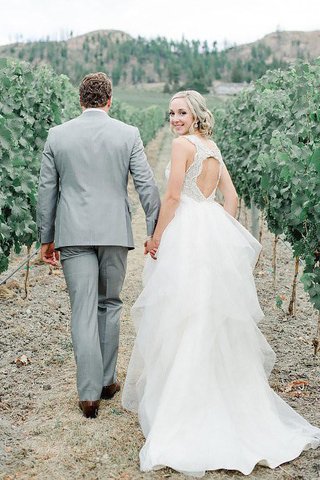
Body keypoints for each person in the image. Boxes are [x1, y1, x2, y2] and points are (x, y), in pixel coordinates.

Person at [122, 90, 320, 476]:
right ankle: (225, 399)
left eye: (181, 112)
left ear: (195, 115)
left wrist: (158, 237)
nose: (174, 118)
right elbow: (230, 197)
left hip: (187, 235)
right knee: (210, 316)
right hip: (210, 229)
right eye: (171, 113)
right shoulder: (211, 147)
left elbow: (175, 195)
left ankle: (184, 409)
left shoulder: (181, 146)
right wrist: (221, 232)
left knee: (184, 315)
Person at [36, 72, 160, 419]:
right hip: (114, 233)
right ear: (109, 101)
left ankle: (88, 394)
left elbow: (46, 191)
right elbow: (147, 187)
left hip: (73, 234)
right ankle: (107, 382)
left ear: (80, 100)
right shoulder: (128, 134)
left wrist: (46, 238)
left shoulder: (57, 136)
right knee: (110, 303)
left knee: (83, 310)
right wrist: (155, 231)